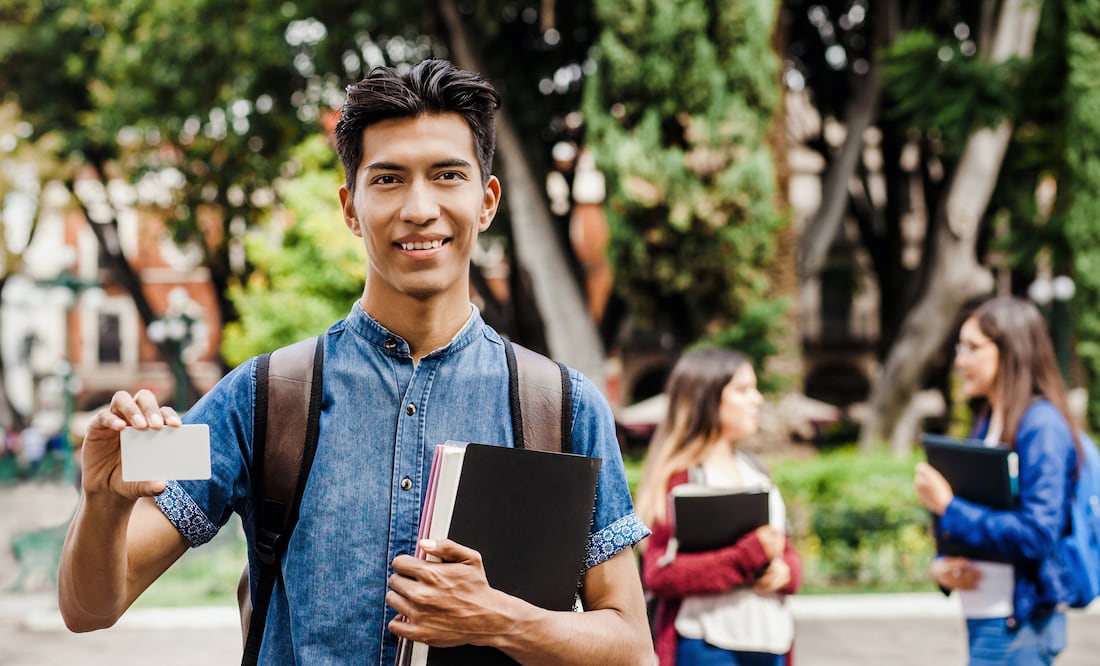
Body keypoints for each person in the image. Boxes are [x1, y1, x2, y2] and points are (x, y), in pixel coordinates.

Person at [57, 59, 654, 664]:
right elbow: (89, 610)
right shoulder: (265, 399)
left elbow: (633, 647)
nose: (419, 208)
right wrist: (105, 502)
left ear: (487, 201)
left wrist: (500, 619)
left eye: (447, 175)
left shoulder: (562, 406)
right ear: (350, 207)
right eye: (389, 179)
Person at [914, 295, 1079, 665]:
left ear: (1010, 350)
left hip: (1019, 624)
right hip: (988, 617)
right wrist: (944, 567)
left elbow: (1037, 533)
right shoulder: (989, 422)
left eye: (972, 347)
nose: (960, 360)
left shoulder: (1042, 426)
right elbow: (985, 514)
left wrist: (948, 507)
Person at [634, 348, 801, 666]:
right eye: (742, 390)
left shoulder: (758, 470)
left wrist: (786, 573)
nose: (758, 400)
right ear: (707, 398)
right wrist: (746, 557)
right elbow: (658, 574)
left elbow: (787, 553)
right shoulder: (680, 478)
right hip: (707, 645)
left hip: (772, 643)